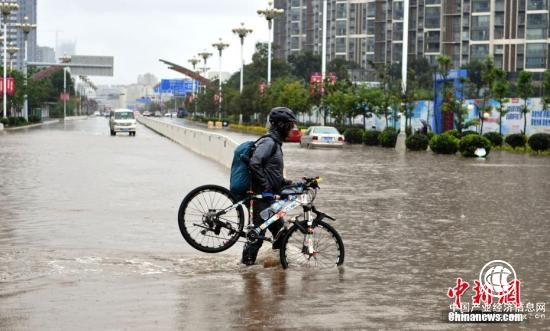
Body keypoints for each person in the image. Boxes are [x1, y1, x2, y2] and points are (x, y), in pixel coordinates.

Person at [241, 107, 297, 266]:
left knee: (281, 234)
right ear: (281, 125)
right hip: (261, 196)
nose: (292, 130)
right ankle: (246, 273)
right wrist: (266, 189)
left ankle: (276, 270)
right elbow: (255, 163)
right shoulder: (269, 142)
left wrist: (287, 183)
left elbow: (272, 172)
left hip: (269, 197)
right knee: (257, 237)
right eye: (290, 125)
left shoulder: (276, 144)